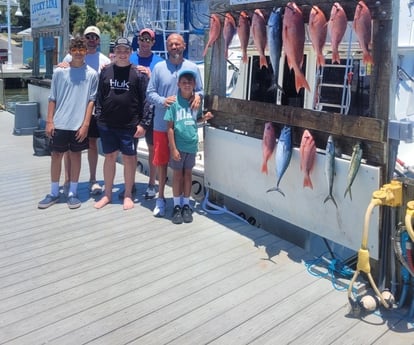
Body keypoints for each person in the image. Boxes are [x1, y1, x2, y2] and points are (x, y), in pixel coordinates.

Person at [38, 37, 99, 210]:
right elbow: (52, 98)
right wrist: (50, 121)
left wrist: (86, 124)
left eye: (81, 49)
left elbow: (91, 101)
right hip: (59, 122)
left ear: (86, 51)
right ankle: (54, 192)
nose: (78, 52)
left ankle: (73, 191)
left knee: (75, 155)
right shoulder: (59, 72)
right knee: (56, 156)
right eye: (75, 49)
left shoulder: (92, 74)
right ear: (69, 51)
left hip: (78, 124)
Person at [147, 33, 203, 218]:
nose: (174, 47)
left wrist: (198, 96)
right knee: (162, 163)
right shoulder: (158, 67)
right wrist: (163, 101)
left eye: (177, 44)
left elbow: (201, 91)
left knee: (184, 170)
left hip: (184, 128)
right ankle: (161, 199)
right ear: (167, 46)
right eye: (171, 44)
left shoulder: (193, 67)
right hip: (162, 126)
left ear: (184, 45)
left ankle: (182, 203)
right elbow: (150, 93)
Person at [93, 37, 148, 210]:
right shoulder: (105, 70)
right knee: (109, 157)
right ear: (114, 53)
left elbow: (146, 101)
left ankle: (128, 194)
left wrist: (143, 124)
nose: (122, 54)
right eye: (119, 51)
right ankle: (107, 194)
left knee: (129, 159)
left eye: (126, 51)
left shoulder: (139, 73)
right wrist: (100, 118)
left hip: (130, 125)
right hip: (107, 124)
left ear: (131, 53)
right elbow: (99, 97)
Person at [62, 26, 111, 196]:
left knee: (92, 144)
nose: (92, 39)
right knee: (69, 147)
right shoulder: (70, 56)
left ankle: (92, 179)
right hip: (73, 109)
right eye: (88, 36)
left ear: (99, 40)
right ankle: (67, 179)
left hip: (93, 109)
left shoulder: (105, 60)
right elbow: (61, 75)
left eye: (95, 37)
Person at [165, 70, 213, 224]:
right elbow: (170, 128)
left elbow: (194, 121)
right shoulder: (174, 104)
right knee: (177, 176)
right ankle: (176, 205)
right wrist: (173, 148)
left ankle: (186, 204)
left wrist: (204, 118)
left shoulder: (195, 103)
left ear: (194, 85)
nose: (187, 85)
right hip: (178, 146)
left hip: (191, 145)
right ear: (179, 84)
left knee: (188, 175)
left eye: (190, 82)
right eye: (184, 82)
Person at [122, 28, 164, 200]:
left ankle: (152, 184)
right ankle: (130, 184)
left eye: (149, 39)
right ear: (137, 41)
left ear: (153, 42)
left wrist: (150, 74)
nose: (145, 42)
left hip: (152, 111)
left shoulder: (159, 62)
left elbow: (164, 85)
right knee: (130, 149)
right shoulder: (129, 59)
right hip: (132, 111)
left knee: (152, 148)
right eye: (142, 39)